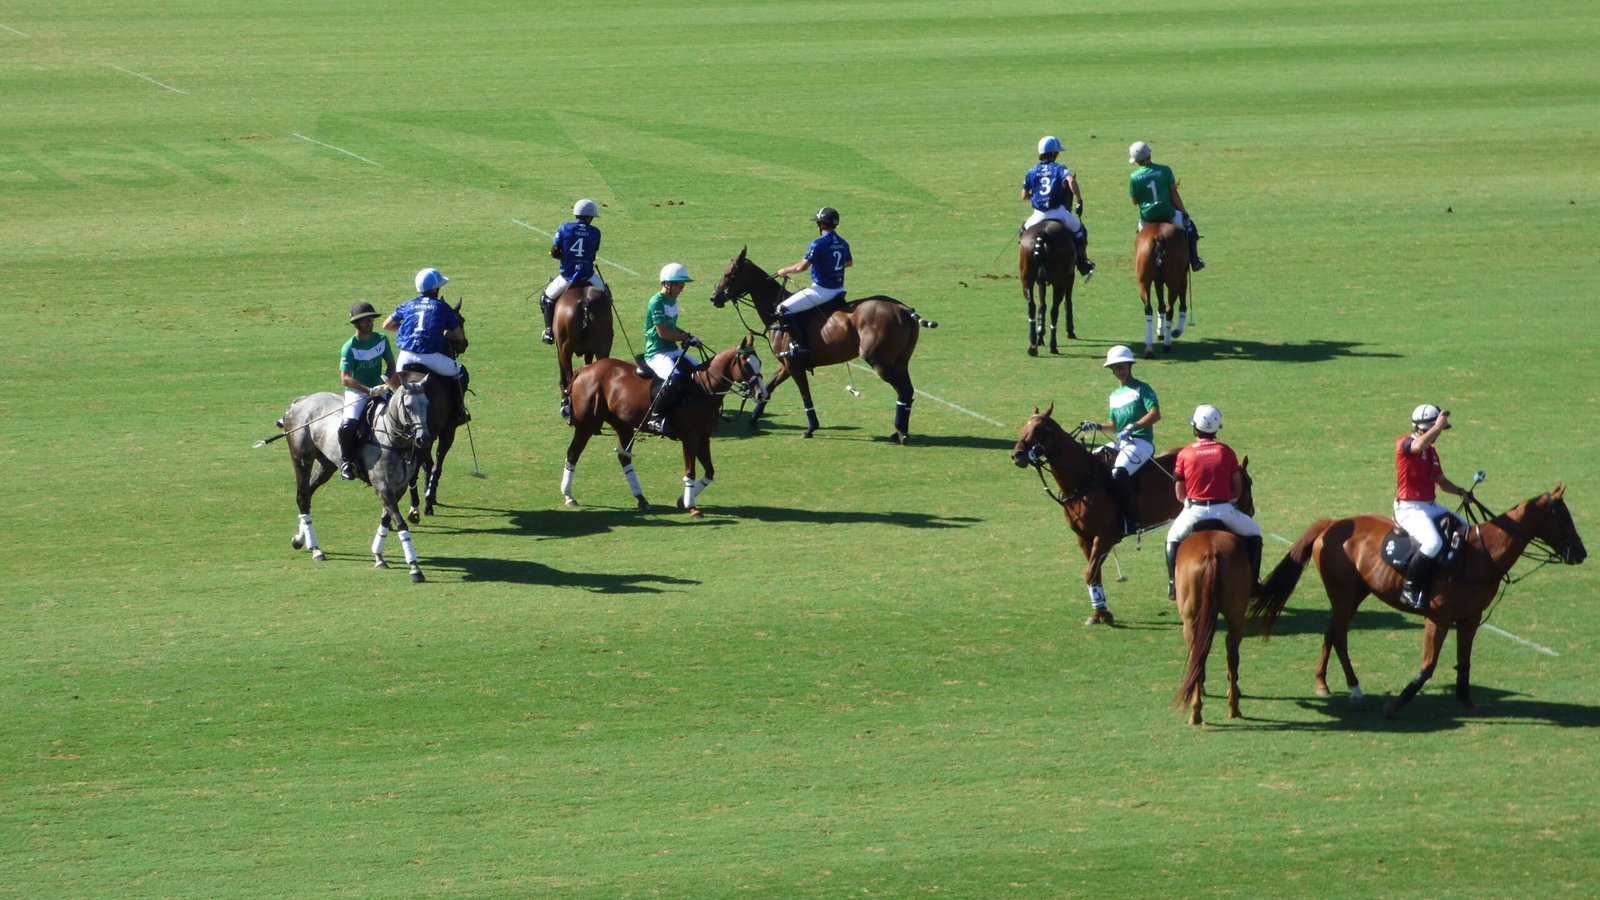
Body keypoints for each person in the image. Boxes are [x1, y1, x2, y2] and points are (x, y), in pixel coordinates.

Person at [1163, 404, 1263, 600]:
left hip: (1194, 511)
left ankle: (1174, 585)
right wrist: (1232, 502)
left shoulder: (1185, 453)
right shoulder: (1226, 452)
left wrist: (1187, 503)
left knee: (1172, 539)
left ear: (1195, 428)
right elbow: (1237, 486)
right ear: (1216, 429)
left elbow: (1179, 493)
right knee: (1254, 533)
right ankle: (1253, 582)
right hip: (1224, 510)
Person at [1080, 345, 1161, 535]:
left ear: (1130, 366)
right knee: (1090, 461)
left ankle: (1130, 521)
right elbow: (1114, 424)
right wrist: (1097, 426)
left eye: (1122, 367)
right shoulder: (1114, 396)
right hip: (1121, 442)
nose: (1119, 371)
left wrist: (1134, 426)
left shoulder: (1142, 388)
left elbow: (1155, 414)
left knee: (1119, 473)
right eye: (1116, 368)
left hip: (1141, 442)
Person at [1394, 404, 1466, 608]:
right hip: (1409, 508)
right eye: (1437, 431)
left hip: (1430, 505)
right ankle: (1409, 589)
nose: (1439, 435)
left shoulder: (1432, 453)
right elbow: (1416, 447)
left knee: (1465, 531)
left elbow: (1441, 482)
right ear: (1425, 427)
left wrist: (1461, 492)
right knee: (1433, 542)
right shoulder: (1404, 443)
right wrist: (1437, 426)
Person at [382, 267, 470, 424]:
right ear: (436, 289)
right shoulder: (442, 307)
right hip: (429, 357)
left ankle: (386, 413)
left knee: (394, 385)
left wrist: (405, 329)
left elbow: (387, 325)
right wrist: (444, 333)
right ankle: (458, 412)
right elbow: (458, 335)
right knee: (461, 372)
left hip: (405, 356)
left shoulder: (408, 304)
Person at [772, 206, 851, 359]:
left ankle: (797, 345)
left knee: (782, 309)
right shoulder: (842, 242)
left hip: (821, 291)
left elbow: (802, 267)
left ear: (821, 225)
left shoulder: (818, 243)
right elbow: (849, 262)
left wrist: (785, 270)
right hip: (839, 290)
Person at [337, 301, 399, 481]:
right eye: (365, 321)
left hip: (379, 387)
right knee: (348, 425)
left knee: (403, 412)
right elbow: (345, 378)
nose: (370, 323)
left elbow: (391, 365)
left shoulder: (381, 339)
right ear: (356, 324)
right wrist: (367, 390)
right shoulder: (350, 347)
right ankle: (346, 461)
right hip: (357, 392)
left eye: (371, 320)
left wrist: (384, 380)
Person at [1020, 135, 1096, 279]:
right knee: (1079, 230)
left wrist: (1037, 199)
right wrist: (1079, 199)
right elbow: (1071, 181)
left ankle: (1025, 265)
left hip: (1038, 215)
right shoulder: (1060, 168)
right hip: (1059, 212)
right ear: (1054, 153)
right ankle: (1082, 262)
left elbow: (1023, 196)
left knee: (1023, 231)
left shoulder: (1031, 171)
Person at [641, 263, 702, 436]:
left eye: (682, 285)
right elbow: (663, 332)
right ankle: (656, 418)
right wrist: (685, 338)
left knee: (701, 372)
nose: (682, 289)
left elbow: (673, 327)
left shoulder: (672, 301)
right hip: (657, 353)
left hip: (672, 349)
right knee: (673, 380)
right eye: (679, 285)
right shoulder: (656, 302)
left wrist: (687, 335)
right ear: (667, 284)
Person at [539, 198, 609, 344]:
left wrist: (565, 257)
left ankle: (549, 332)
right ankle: (607, 331)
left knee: (546, 298)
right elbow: (593, 253)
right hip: (588, 275)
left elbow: (553, 252)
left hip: (567, 276)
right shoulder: (595, 232)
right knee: (606, 296)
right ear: (590, 217)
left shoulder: (564, 228)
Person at [1128, 141, 1205, 271]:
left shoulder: (1134, 177)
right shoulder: (1165, 170)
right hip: (1168, 213)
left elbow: (1134, 201)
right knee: (1190, 228)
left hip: (1148, 218)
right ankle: (1195, 261)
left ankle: (1140, 265)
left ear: (1137, 161)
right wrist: (1183, 212)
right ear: (1149, 154)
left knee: (1139, 237)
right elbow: (1173, 193)